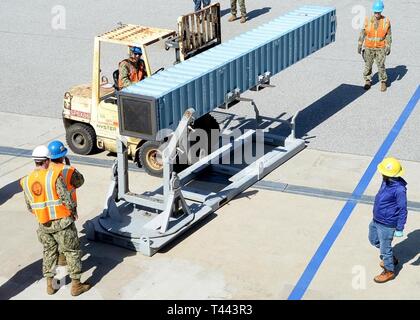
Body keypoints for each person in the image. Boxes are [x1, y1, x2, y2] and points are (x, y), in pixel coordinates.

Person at [20, 145, 91, 296]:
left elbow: (29, 206)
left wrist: (42, 214)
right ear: (46, 161)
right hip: (62, 222)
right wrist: (72, 212)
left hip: (43, 224)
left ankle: (50, 286)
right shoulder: (53, 177)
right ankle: (76, 285)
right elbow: (66, 198)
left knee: (49, 252)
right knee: (72, 252)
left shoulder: (26, 180)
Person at [369, 157, 407, 283]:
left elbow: (403, 209)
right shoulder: (386, 180)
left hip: (387, 224)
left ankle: (389, 271)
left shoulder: (399, 189)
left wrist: (400, 228)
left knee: (385, 249)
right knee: (373, 239)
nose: (381, 173)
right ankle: (390, 257)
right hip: (376, 219)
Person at [47, 140, 85, 267]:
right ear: (63, 156)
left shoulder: (44, 169)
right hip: (65, 210)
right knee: (69, 241)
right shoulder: (68, 170)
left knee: (55, 237)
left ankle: (61, 258)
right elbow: (80, 182)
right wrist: (69, 166)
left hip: (48, 212)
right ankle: (68, 264)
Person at [357, 1, 392, 92]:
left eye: (378, 12)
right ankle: (367, 81)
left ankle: (383, 82)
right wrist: (360, 44)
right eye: (375, 12)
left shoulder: (386, 21)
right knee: (368, 64)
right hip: (369, 47)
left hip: (380, 47)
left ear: (381, 11)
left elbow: (388, 34)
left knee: (381, 65)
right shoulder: (367, 20)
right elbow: (363, 33)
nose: (377, 14)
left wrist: (388, 46)